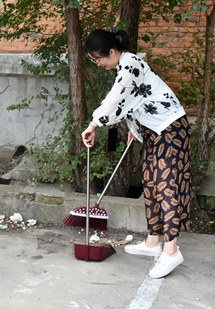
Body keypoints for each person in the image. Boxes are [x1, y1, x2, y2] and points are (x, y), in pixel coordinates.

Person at [81, 29, 191, 278]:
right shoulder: (124, 66)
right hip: (154, 131)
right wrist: (135, 130)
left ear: (112, 51)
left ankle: (172, 251)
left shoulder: (130, 63)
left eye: (99, 58)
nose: (98, 64)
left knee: (165, 186)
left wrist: (93, 124)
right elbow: (134, 102)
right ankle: (153, 242)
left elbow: (116, 98)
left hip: (171, 128)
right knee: (150, 184)